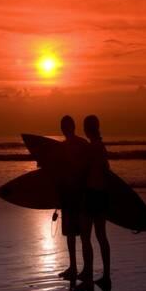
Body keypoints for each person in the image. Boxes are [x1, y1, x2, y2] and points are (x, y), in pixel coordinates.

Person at [79, 114, 111, 291]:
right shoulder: (101, 147)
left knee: (86, 236)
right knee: (101, 236)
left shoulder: (92, 148)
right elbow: (107, 171)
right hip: (102, 194)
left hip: (92, 194)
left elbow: (83, 172)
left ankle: (88, 277)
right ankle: (106, 275)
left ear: (87, 129)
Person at [57, 115, 90, 281]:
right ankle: (73, 266)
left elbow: (91, 167)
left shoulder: (82, 145)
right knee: (70, 234)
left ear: (73, 127)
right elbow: (55, 168)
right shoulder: (62, 147)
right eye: (63, 127)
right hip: (67, 194)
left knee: (84, 234)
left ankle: (85, 269)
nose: (65, 129)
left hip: (81, 194)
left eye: (67, 126)